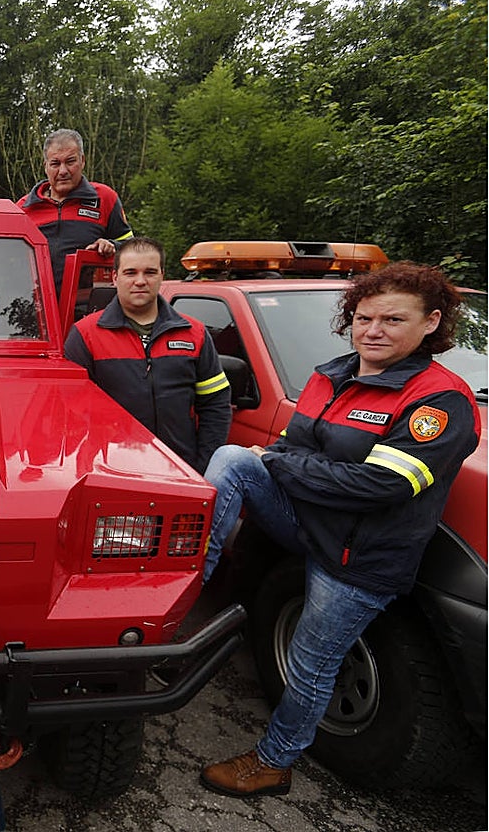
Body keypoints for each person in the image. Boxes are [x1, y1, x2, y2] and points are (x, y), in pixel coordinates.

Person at [198, 262, 479, 797]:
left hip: (359, 558)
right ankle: (185, 594)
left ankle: (273, 763)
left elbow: (380, 487)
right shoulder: (333, 374)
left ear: (431, 323)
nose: (373, 329)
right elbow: (289, 445)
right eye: (364, 317)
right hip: (307, 523)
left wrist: (282, 466)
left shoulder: (440, 401)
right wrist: (279, 461)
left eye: (393, 319)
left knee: (310, 664)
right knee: (234, 458)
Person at [64, 236, 232, 473]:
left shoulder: (195, 334)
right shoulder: (85, 335)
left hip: (180, 471)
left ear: (162, 275)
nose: (140, 281)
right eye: (130, 273)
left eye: (150, 272)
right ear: (115, 277)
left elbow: (215, 405)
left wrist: (202, 466)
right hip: (113, 473)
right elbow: (72, 414)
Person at [18, 128, 134, 292]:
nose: (63, 171)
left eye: (70, 162)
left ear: (83, 161)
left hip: (87, 308)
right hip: (35, 307)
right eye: (55, 164)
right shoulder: (23, 208)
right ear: (46, 167)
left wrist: (112, 245)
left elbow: (133, 248)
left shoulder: (105, 198)